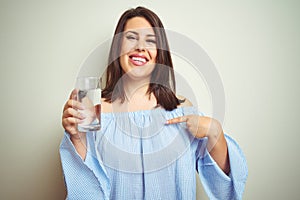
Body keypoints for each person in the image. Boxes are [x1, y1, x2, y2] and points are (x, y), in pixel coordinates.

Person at [60, 6, 248, 200]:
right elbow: (84, 190)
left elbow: (224, 189)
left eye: (151, 41)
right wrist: (77, 138)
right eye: (131, 37)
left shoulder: (180, 111)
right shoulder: (95, 113)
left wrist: (214, 131)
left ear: (159, 53)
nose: (140, 47)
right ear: (118, 48)